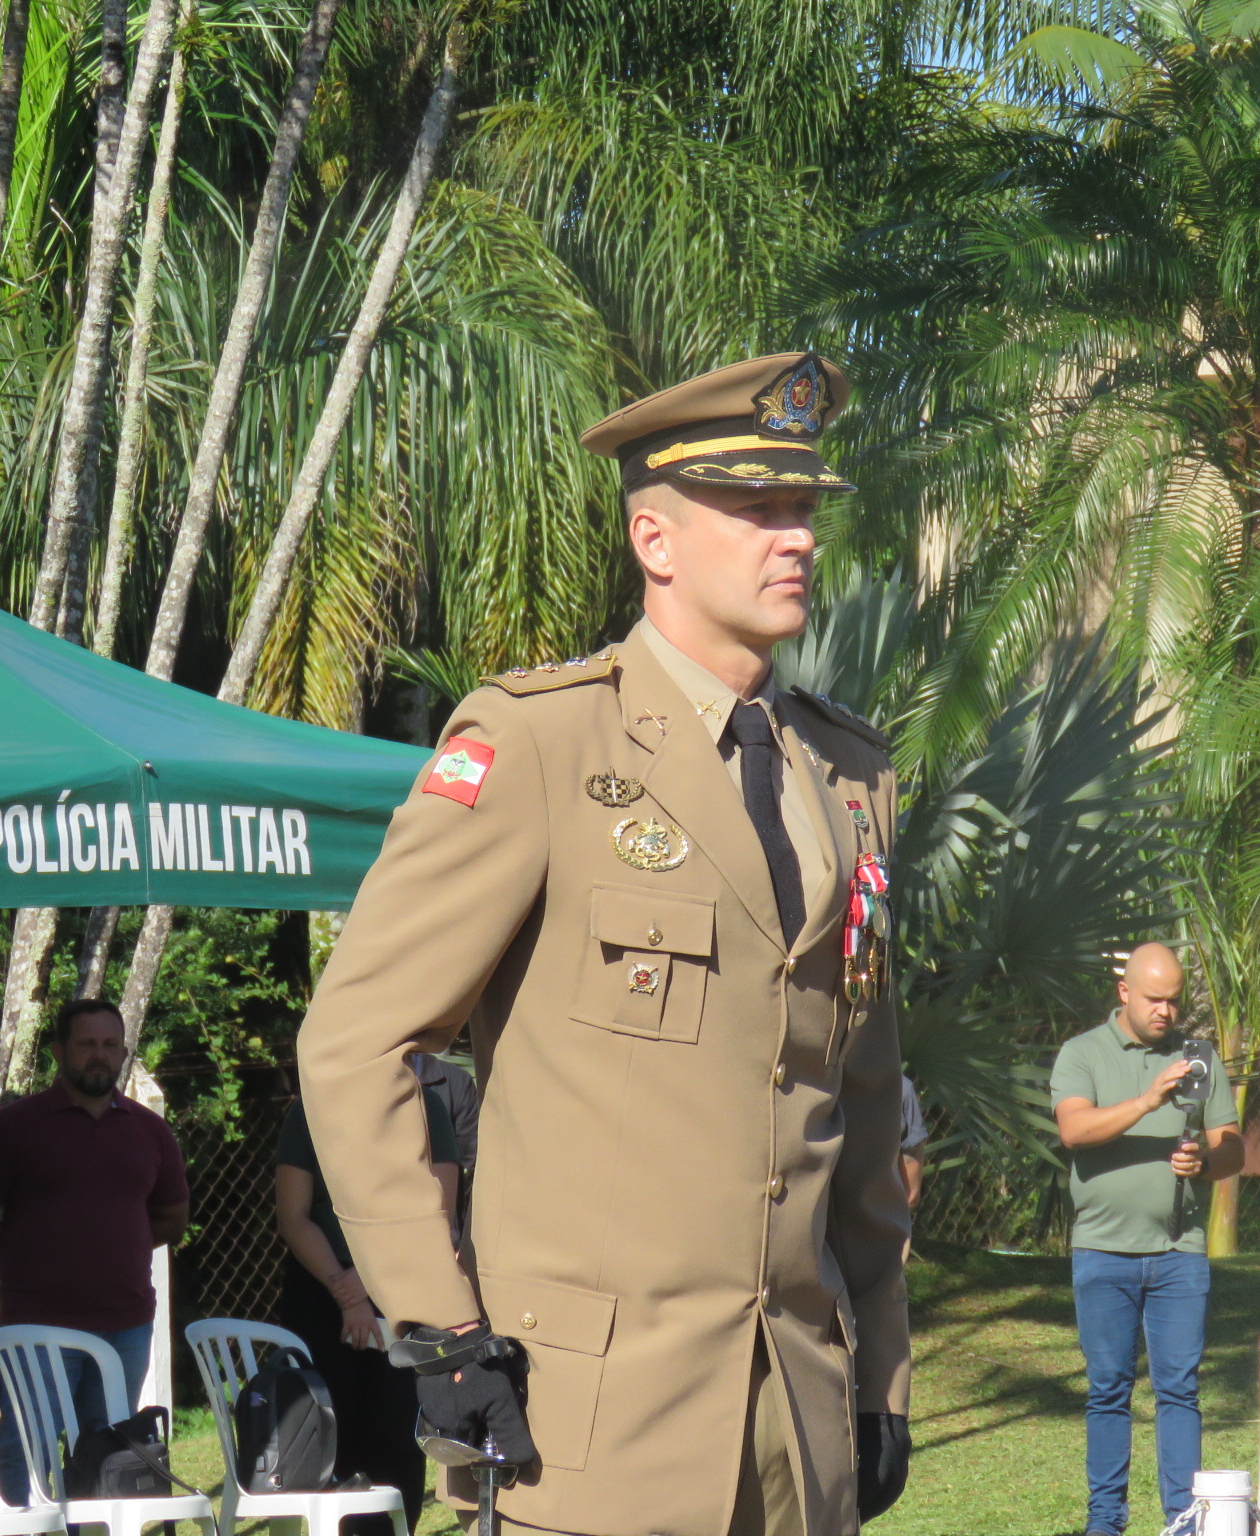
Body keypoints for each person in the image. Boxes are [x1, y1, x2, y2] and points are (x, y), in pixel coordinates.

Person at [298, 352, 912, 1536]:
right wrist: (437, 1327)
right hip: (582, 1428)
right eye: (757, 510)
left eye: (803, 510)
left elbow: (862, 1089)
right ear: (655, 540)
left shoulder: (846, 773)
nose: (795, 539)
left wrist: (877, 1370)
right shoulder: (536, 743)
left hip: (795, 1424)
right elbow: (355, 1041)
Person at [1050, 943, 1244, 1536]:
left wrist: (1205, 1163)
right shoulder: (1083, 1053)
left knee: (1179, 1391)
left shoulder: (1198, 1056)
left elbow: (1232, 1146)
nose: (1166, 1010)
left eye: (1175, 999)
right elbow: (1075, 1128)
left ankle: (1183, 1522)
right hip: (1102, 1251)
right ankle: (1106, 1523)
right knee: (1108, 1390)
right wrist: (1148, 1100)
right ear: (1125, 993)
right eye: (1154, 998)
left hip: (1177, 1255)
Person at [0, 998, 190, 1502]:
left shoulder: (150, 1131)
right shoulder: (16, 1125)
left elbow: (173, 1217)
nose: (99, 1056)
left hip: (126, 1326)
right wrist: (36, 1241)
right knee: (26, 1448)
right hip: (39, 1324)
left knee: (109, 1452)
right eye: (87, 1044)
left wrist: (111, 1242)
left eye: (110, 1045)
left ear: (124, 1052)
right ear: (60, 1052)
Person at [275, 1077, 464, 1530]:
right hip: (322, 1286)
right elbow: (293, 1216)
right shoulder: (310, 1110)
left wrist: (367, 1282)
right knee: (327, 1435)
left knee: (395, 1439)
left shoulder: (427, 1107)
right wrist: (346, 1289)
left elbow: (440, 1212)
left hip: (398, 1286)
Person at [898, 1074, 928, 1209]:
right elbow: (910, 1194)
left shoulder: (901, 1088)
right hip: (879, 1219)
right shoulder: (901, 1087)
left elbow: (910, 1195)